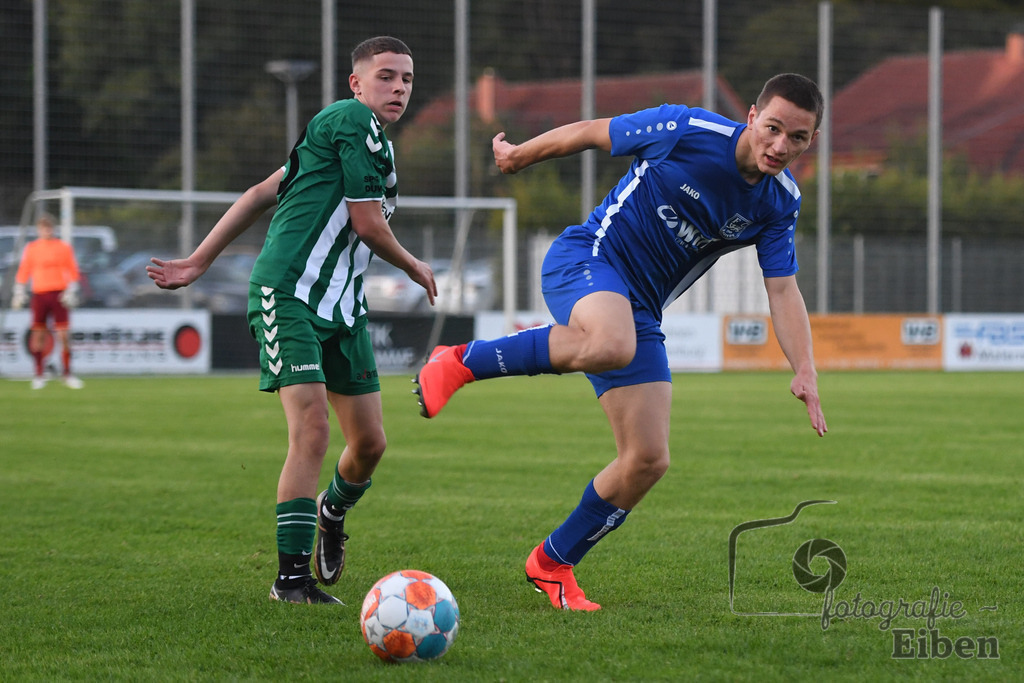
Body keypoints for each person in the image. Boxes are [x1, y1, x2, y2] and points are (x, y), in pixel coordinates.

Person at [415, 73, 829, 611]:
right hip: (588, 258)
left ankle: (553, 562)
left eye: (796, 138)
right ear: (751, 116)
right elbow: (591, 131)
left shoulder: (780, 201)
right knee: (614, 342)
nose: (780, 146)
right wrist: (518, 157)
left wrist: (805, 367)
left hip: (639, 313)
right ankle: (460, 361)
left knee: (647, 459)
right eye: (772, 128)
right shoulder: (687, 128)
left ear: (811, 140)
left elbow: (783, 288)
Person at [147, 36, 436, 605]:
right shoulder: (349, 118)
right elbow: (368, 224)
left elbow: (263, 191)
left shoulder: (362, 140)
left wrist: (199, 260)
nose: (398, 87)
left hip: (344, 307)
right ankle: (292, 581)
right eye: (385, 76)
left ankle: (332, 512)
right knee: (312, 430)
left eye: (406, 78)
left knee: (370, 444)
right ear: (356, 83)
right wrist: (414, 264)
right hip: (289, 294)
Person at [11, 213, 84, 390]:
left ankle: (67, 373)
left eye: (49, 228)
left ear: (53, 229)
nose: (46, 231)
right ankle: (39, 374)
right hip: (40, 294)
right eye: (43, 228)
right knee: (38, 334)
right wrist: (19, 290)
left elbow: (72, 270)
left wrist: (72, 289)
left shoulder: (63, 247)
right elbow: (24, 270)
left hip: (59, 294)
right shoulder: (32, 248)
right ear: (39, 230)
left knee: (63, 335)